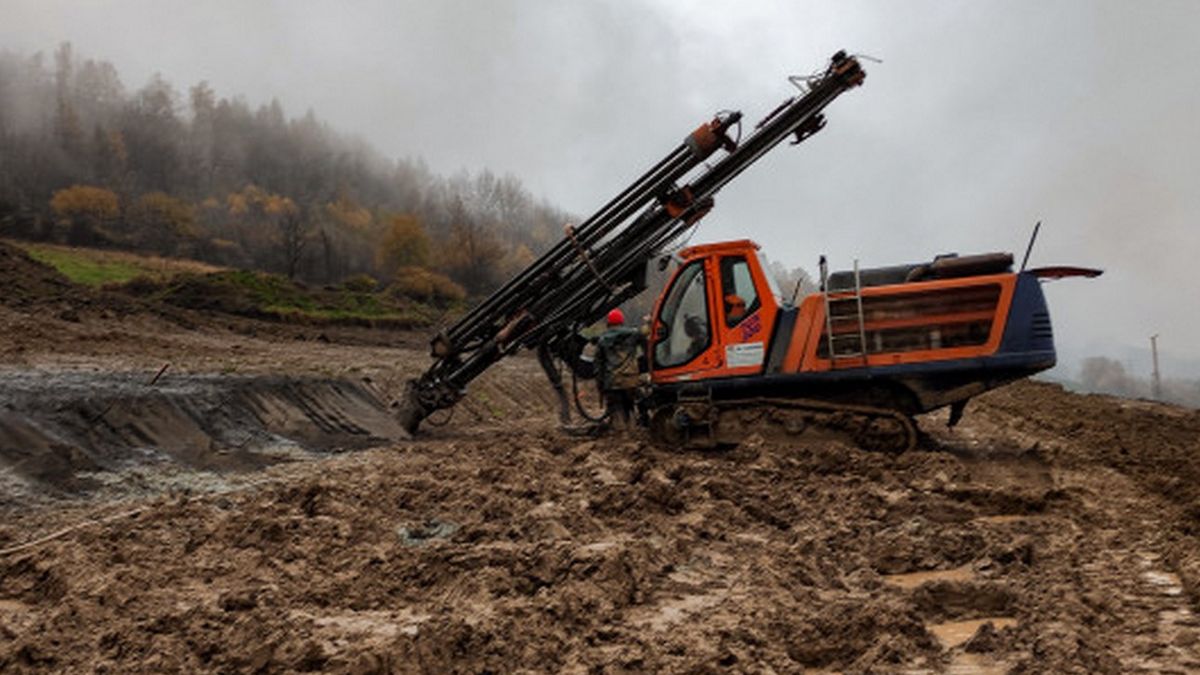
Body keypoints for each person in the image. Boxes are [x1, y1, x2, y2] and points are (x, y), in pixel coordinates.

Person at [595, 307, 642, 430]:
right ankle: (632, 429)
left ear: (608, 323)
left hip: (613, 381)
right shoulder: (634, 334)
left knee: (616, 408)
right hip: (631, 379)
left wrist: (600, 383)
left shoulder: (603, 340)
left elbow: (599, 365)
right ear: (622, 321)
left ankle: (621, 435)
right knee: (630, 406)